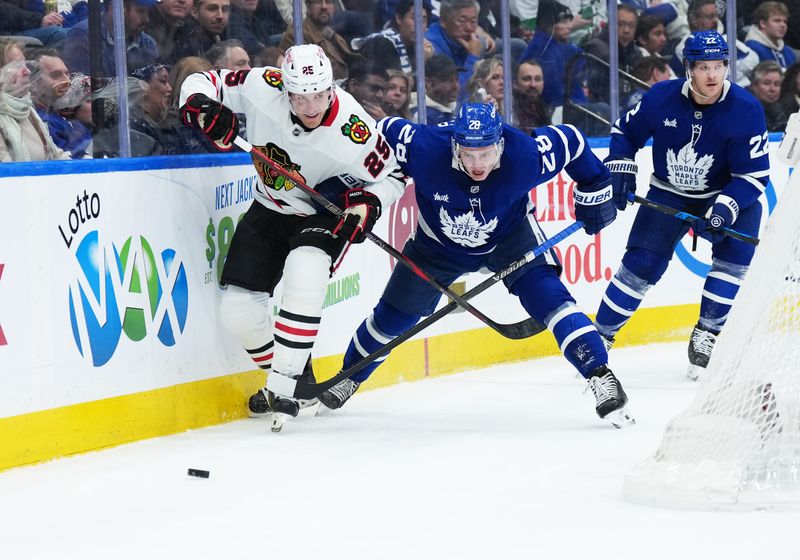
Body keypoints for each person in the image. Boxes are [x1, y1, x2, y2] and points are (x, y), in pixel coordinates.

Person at [317, 103, 635, 429]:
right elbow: (376, 135)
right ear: (454, 144)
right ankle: (350, 376)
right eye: (468, 154)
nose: (477, 164)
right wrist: (341, 189)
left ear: (500, 144)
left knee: (551, 298)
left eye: (486, 153)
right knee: (393, 317)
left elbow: (572, 142)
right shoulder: (423, 147)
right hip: (436, 247)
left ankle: (600, 374)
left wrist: (595, 188)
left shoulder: (526, 154)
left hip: (511, 239)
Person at [178, 44, 406, 430]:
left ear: (331, 88)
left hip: (321, 213)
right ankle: (299, 382)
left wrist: (367, 205)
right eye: (300, 97)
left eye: (319, 95)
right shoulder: (262, 84)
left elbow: (394, 177)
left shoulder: (354, 129)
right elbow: (204, 81)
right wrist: (202, 106)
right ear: (285, 89)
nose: (311, 106)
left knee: (305, 272)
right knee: (239, 313)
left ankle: (281, 386)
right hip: (268, 207)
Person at [596, 31, 770, 382]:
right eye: (703, 67)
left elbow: (753, 176)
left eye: (719, 66)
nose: (711, 75)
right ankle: (599, 337)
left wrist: (725, 208)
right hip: (668, 192)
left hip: (726, 193)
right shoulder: (661, 97)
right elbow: (625, 133)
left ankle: (707, 332)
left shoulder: (746, 109)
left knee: (733, 261)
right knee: (641, 264)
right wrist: (619, 165)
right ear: (689, 68)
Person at [0, 59, 69, 161]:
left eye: (24, 64)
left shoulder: (28, 109)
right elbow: (7, 172)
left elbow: (54, 154)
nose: (27, 71)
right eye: (16, 66)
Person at [744, 1, 796, 71]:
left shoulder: (788, 52)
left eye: (785, 22)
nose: (783, 25)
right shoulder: (751, 49)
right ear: (763, 23)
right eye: (777, 21)